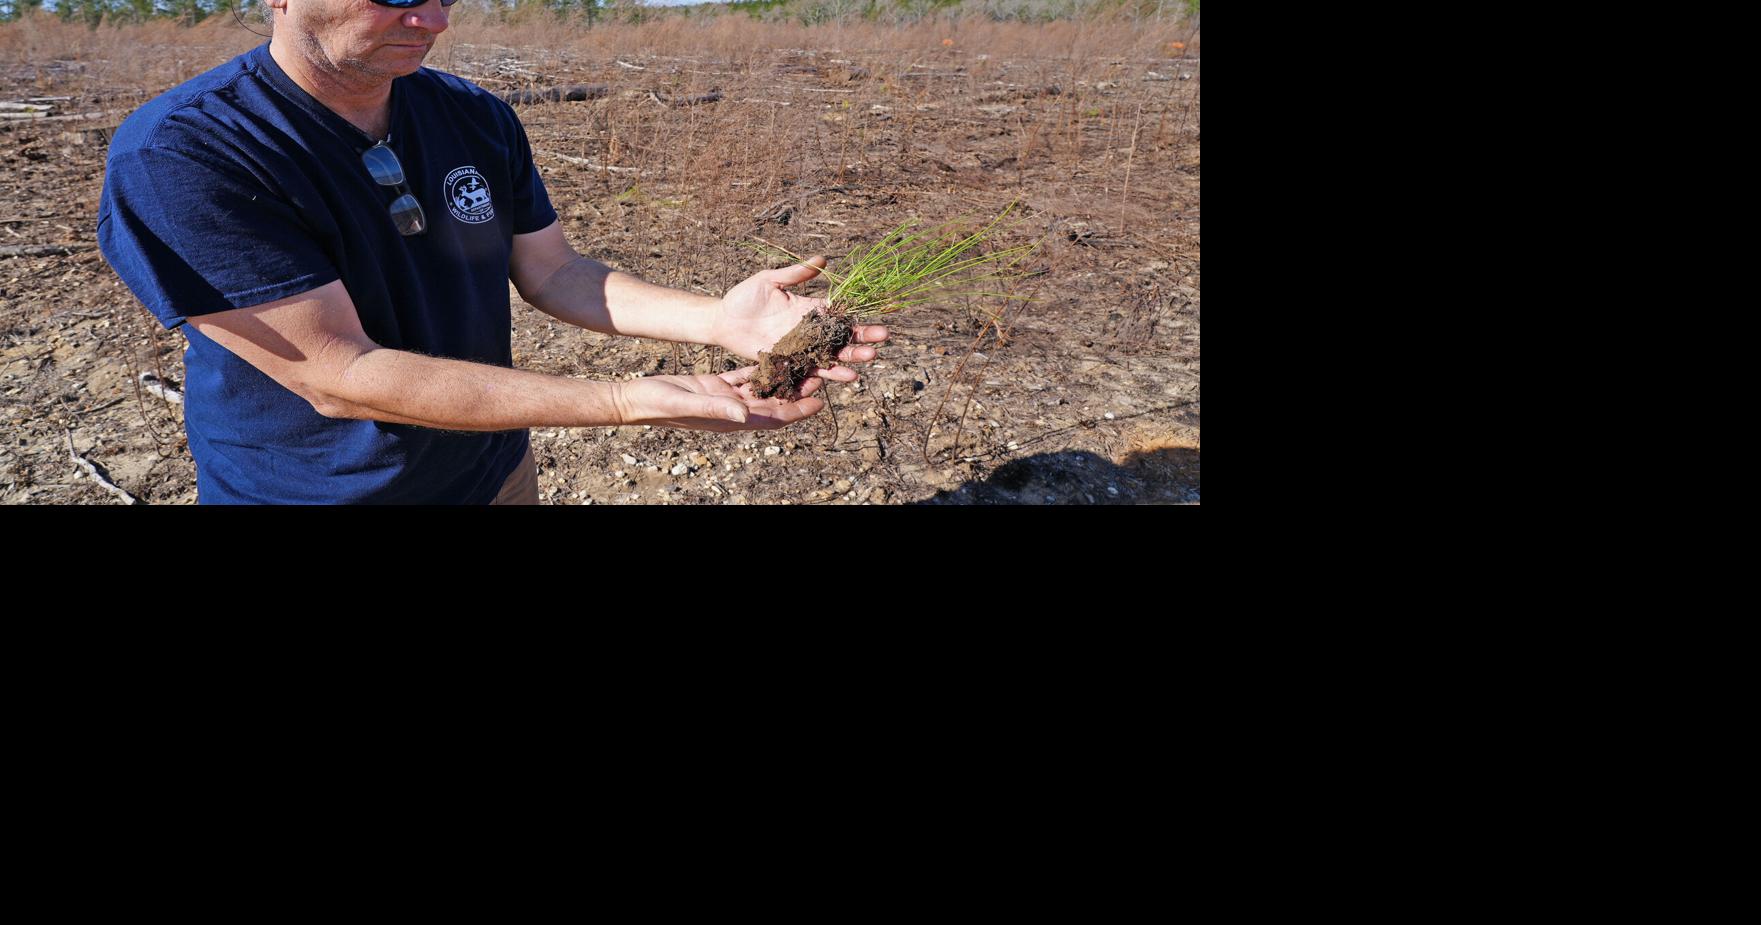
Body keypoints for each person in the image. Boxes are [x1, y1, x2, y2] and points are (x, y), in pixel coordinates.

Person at [96, 0, 887, 504]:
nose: (432, 20)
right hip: (318, 492)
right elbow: (339, 373)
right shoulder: (185, 153)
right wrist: (624, 401)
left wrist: (716, 320)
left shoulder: (473, 115)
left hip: (493, 472)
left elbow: (554, 270)